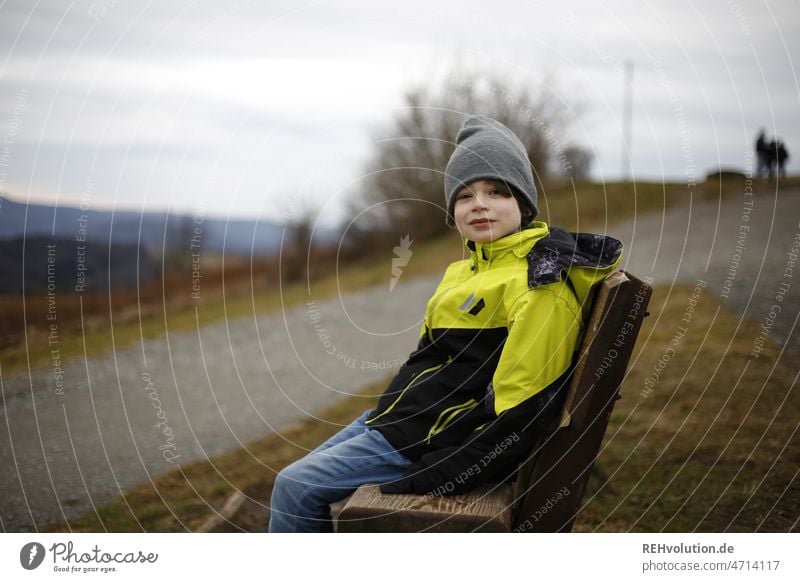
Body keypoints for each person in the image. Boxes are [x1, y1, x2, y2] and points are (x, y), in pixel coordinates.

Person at [267, 115, 623, 533]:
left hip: (427, 442)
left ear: (524, 205)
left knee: (294, 487)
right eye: (464, 195)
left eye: (497, 191)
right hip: (397, 423)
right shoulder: (468, 271)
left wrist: (435, 474)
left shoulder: (537, 283)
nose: (479, 204)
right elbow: (429, 360)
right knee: (293, 480)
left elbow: (520, 410)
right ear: (452, 212)